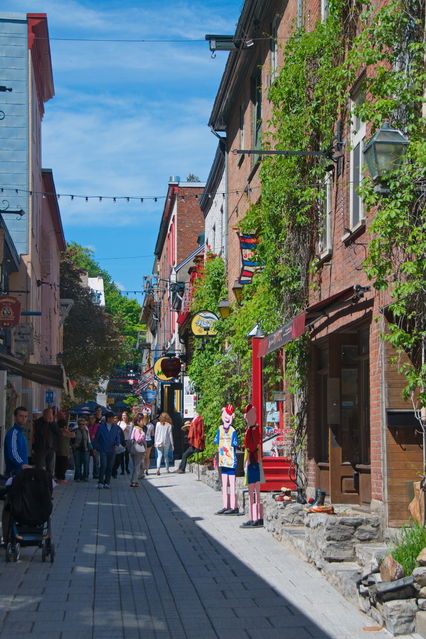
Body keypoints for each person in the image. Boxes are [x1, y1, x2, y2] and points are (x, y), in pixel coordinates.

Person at [2, 407, 30, 544]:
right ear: (15, 417)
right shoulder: (13, 433)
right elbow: (13, 452)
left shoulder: (22, 434)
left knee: (19, 505)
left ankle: (17, 533)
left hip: (22, 475)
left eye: (25, 416)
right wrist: (21, 464)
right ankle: (7, 536)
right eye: (21, 416)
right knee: (10, 506)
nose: (23, 419)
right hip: (14, 474)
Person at [240, 404, 264, 528]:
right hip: (254, 462)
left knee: (253, 491)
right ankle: (256, 517)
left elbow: (251, 448)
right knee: (255, 491)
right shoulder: (254, 430)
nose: (245, 417)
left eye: (247, 415)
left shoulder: (251, 431)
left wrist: (248, 461)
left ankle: (255, 517)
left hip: (252, 462)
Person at [214, 405, 239, 515]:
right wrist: (218, 456)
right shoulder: (219, 429)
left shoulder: (233, 431)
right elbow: (217, 443)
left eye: (229, 415)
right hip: (222, 460)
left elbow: (235, 445)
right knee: (224, 484)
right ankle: (225, 505)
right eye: (226, 414)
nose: (227, 417)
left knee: (232, 484)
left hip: (231, 461)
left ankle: (234, 506)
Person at [93, 410, 121, 489]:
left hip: (112, 450)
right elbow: (96, 438)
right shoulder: (101, 427)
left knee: (110, 466)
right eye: (112, 418)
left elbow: (117, 438)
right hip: (103, 449)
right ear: (108, 418)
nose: (113, 419)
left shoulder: (116, 427)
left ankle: (107, 482)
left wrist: (116, 445)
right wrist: (95, 448)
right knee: (103, 465)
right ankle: (100, 481)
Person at [32, 407, 60, 474]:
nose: (49, 416)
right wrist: (47, 422)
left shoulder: (53, 423)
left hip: (51, 447)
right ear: (44, 414)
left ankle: (49, 481)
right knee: (40, 466)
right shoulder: (38, 422)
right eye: (48, 414)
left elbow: (58, 432)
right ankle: (40, 480)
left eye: (51, 414)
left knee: (50, 467)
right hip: (41, 448)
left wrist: (52, 423)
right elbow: (40, 432)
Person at [72, 417, 91, 482]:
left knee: (86, 464)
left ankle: (85, 477)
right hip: (77, 450)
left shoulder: (86, 431)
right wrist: (73, 446)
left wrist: (89, 448)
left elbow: (88, 440)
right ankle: (78, 477)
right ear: (78, 424)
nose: (82, 425)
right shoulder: (75, 430)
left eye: (83, 424)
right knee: (78, 464)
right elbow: (71, 440)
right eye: (80, 424)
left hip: (85, 450)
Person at [128, 418, 146, 487]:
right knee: (137, 466)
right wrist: (143, 434)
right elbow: (138, 440)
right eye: (142, 420)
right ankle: (134, 481)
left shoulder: (134, 428)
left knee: (136, 466)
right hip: (137, 450)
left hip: (134, 449)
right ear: (138, 422)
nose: (143, 422)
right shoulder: (138, 429)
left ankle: (134, 480)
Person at [55, 417, 73, 483]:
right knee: (63, 465)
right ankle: (61, 478)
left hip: (57, 451)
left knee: (58, 465)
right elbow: (73, 435)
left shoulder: (57, 431)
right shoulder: (64, 431)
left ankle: (58, 477)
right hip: (64, 451)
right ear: (65, 425)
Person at [117, 411, 132, 475]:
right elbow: (117, 432)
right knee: (121, 456)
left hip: (128, 440)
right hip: (121, 441)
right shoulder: (119, 423)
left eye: (125, 415)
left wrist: (127, 430)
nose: (124, 416)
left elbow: (131, 433)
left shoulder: (130, 424)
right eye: (123, 415)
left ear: (127, 416)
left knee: (127, 456)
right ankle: (122, 470)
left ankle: (127, 468)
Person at [87, 414, 100, 479]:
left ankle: (96, 474)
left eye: (92, 418)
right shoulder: (87, 426)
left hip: (96, 446)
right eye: (90, 418)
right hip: (88, 446)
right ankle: (86, 474)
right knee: (87, 461)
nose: (91, 420)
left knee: (96, 461)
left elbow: (99, 437)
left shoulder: (98, 426)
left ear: (95, 419)